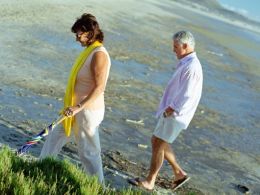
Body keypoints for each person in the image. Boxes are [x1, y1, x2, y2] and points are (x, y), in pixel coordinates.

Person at [39, 13, 111, 184]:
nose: (77, 38)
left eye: (79, 34)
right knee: (54, 137)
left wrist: (78, 107)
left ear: (90, 32)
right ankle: (39, 166)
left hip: (87, 111)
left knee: (89, 152)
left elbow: (99, 88)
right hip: (74, 108)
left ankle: (98, 187)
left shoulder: (99, 54)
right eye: (76, 34)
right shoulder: (89, 51)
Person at [128, 31, 203, 191]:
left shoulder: (191, 66)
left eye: (175, 46)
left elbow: (187, 93)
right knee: (157, 141)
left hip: (176, 113)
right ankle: (179, 173)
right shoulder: (186, 62)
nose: (173, 50)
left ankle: (150, 181)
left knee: (158, 145)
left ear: (185, 46)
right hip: (173, 111)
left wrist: (172, 108)